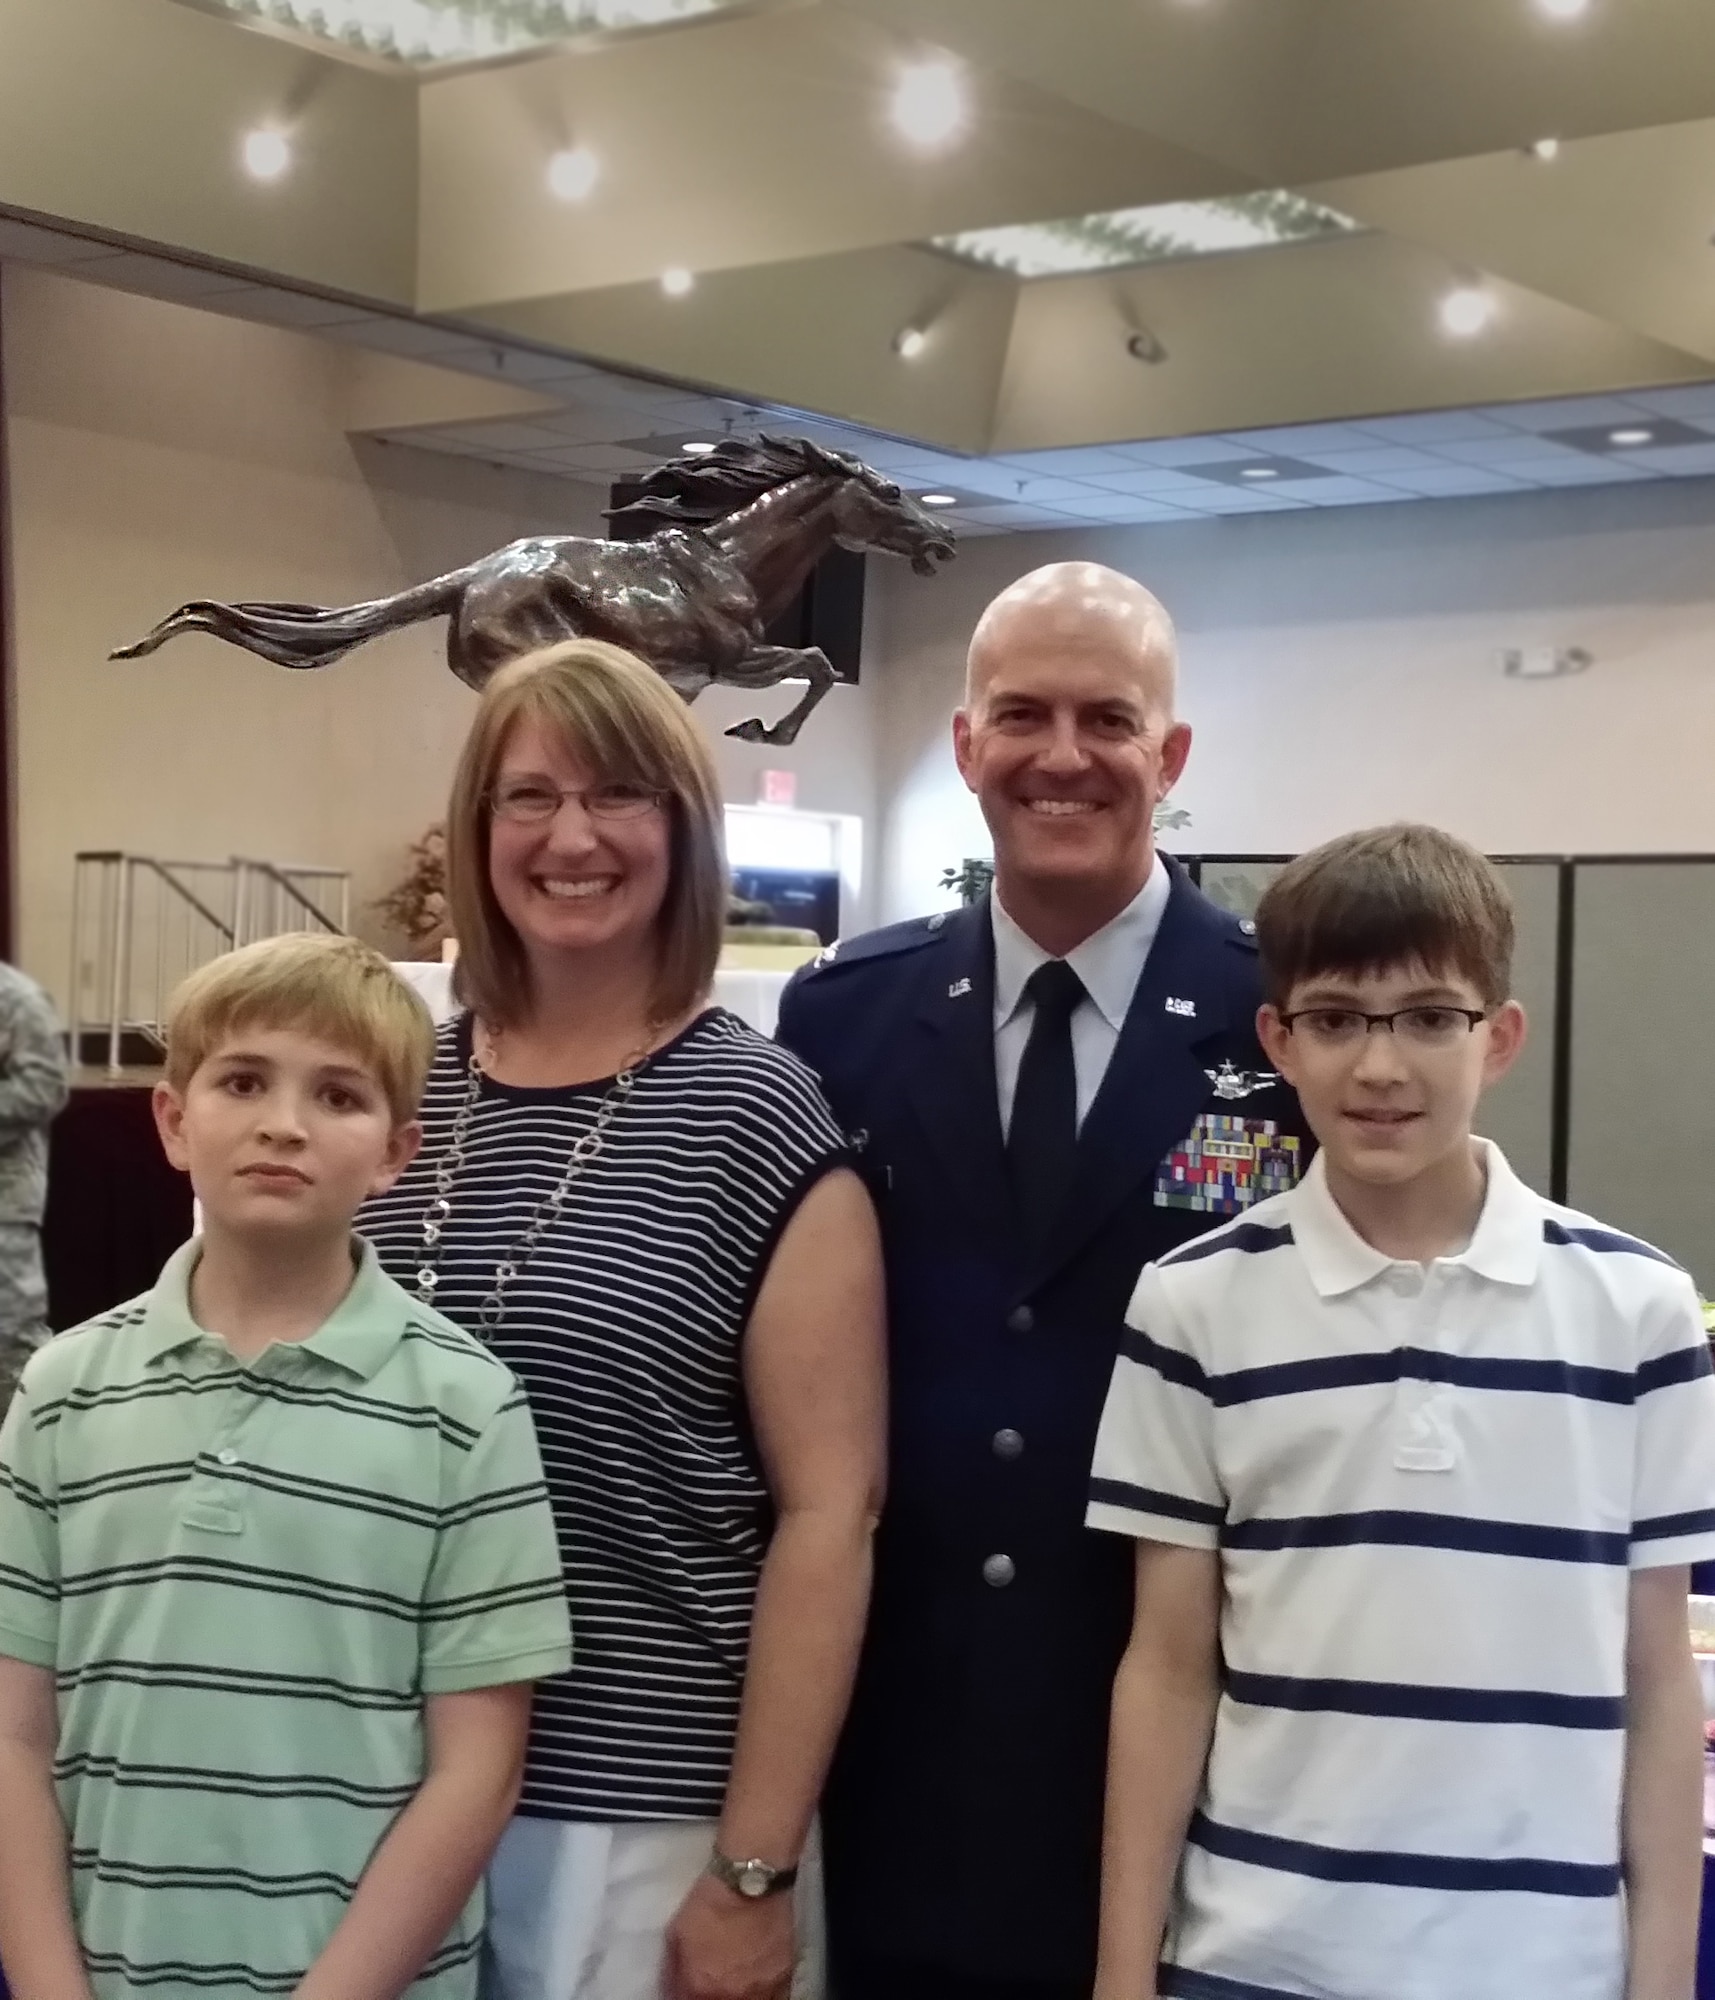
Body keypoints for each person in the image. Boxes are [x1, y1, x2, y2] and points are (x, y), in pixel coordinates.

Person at [775, 561, 1307, 2000]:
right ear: (962, 746)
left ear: (1169, 756)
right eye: (1019, 715)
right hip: (904, 1720)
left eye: (1106, 718)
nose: (1059, 756)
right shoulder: (844, 1016)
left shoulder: (1283, 1017)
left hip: (1184, 1705)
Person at [1089, 823, 1715, 2000]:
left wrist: (1664, 1976)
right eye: (1334, 1017)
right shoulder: (1192, 1302)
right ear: (1276, 1038)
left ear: (1501, 1037)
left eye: (1430, 1016)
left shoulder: (1638, 1308)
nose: (1380, 1067)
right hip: (1256, 1956)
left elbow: (1657, 1676)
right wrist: (1123, 1971)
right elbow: (1166, 1667)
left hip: (1541, 1964)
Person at [358, 638, 886, 2000]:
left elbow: (830, 1517)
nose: (569, 837)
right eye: (527, 798)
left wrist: (751, 1872)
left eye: (617, 796)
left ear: (684, 831)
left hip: (631, 1808)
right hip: (365, 1772)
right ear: (476, 831)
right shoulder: (390, 1088)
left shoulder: (759, 1115)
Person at [0, 932, 571, 2000]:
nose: (282, 1122)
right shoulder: (62, 1390)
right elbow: (13, 1737)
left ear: (395, 1151)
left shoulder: (465, 1404)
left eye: (338, 1094)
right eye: (244, 1079)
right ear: (174, 1119)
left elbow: (476, 1767)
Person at [0, 962, 69, 1417]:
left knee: (10, 1339)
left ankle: (29, 1458)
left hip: (3, 1203)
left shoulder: (16, 998)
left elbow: (45, 1087)